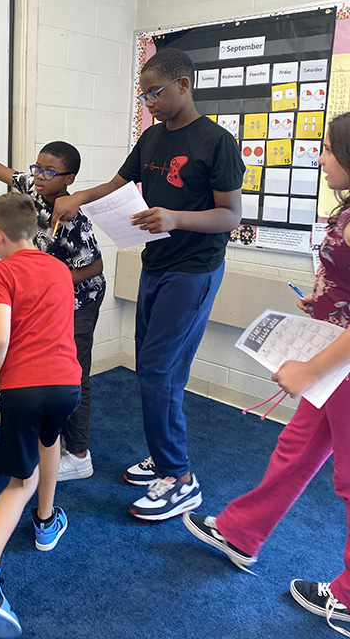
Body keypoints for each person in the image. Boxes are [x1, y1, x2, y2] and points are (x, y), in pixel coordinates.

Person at [52, 47, 245, 520]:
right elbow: (118, 183)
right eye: (144, 96)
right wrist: (77, 195)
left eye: (155, 93)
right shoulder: (152, 138)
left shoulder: (216, 142)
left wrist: (175, 217)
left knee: (157, 371)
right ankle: (164, 457)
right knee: (159, 370)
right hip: (156, 265)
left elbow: (231, 216)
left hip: (194, 270)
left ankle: (180, 477)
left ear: (184, 84)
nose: (149, 103)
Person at [183, 112, 350, 637]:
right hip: (332, 357)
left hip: (340, 367)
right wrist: (323, 304)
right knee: (296, 449)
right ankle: (240, 533)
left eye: (327, 149)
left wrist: (309, 369)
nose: (319, 158)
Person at [0, 128, 105, 481]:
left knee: (75, 372)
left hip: (78, 303)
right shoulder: (32, 190)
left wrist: (49, 281)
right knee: (40, 366)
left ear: (69, 178)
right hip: (44, 296)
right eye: (37, 167)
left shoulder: (74, 219)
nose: (39, 176)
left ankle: (78, 454)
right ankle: (46, 439)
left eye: (49, 172)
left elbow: (95, 266)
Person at [0, 192, 81, 638]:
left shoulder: (1, 270)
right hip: (68, 384)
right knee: (52, 442)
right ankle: (47, 524)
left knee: (19, 482)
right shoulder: (60, 268)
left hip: (24, 388)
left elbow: (0, 338)